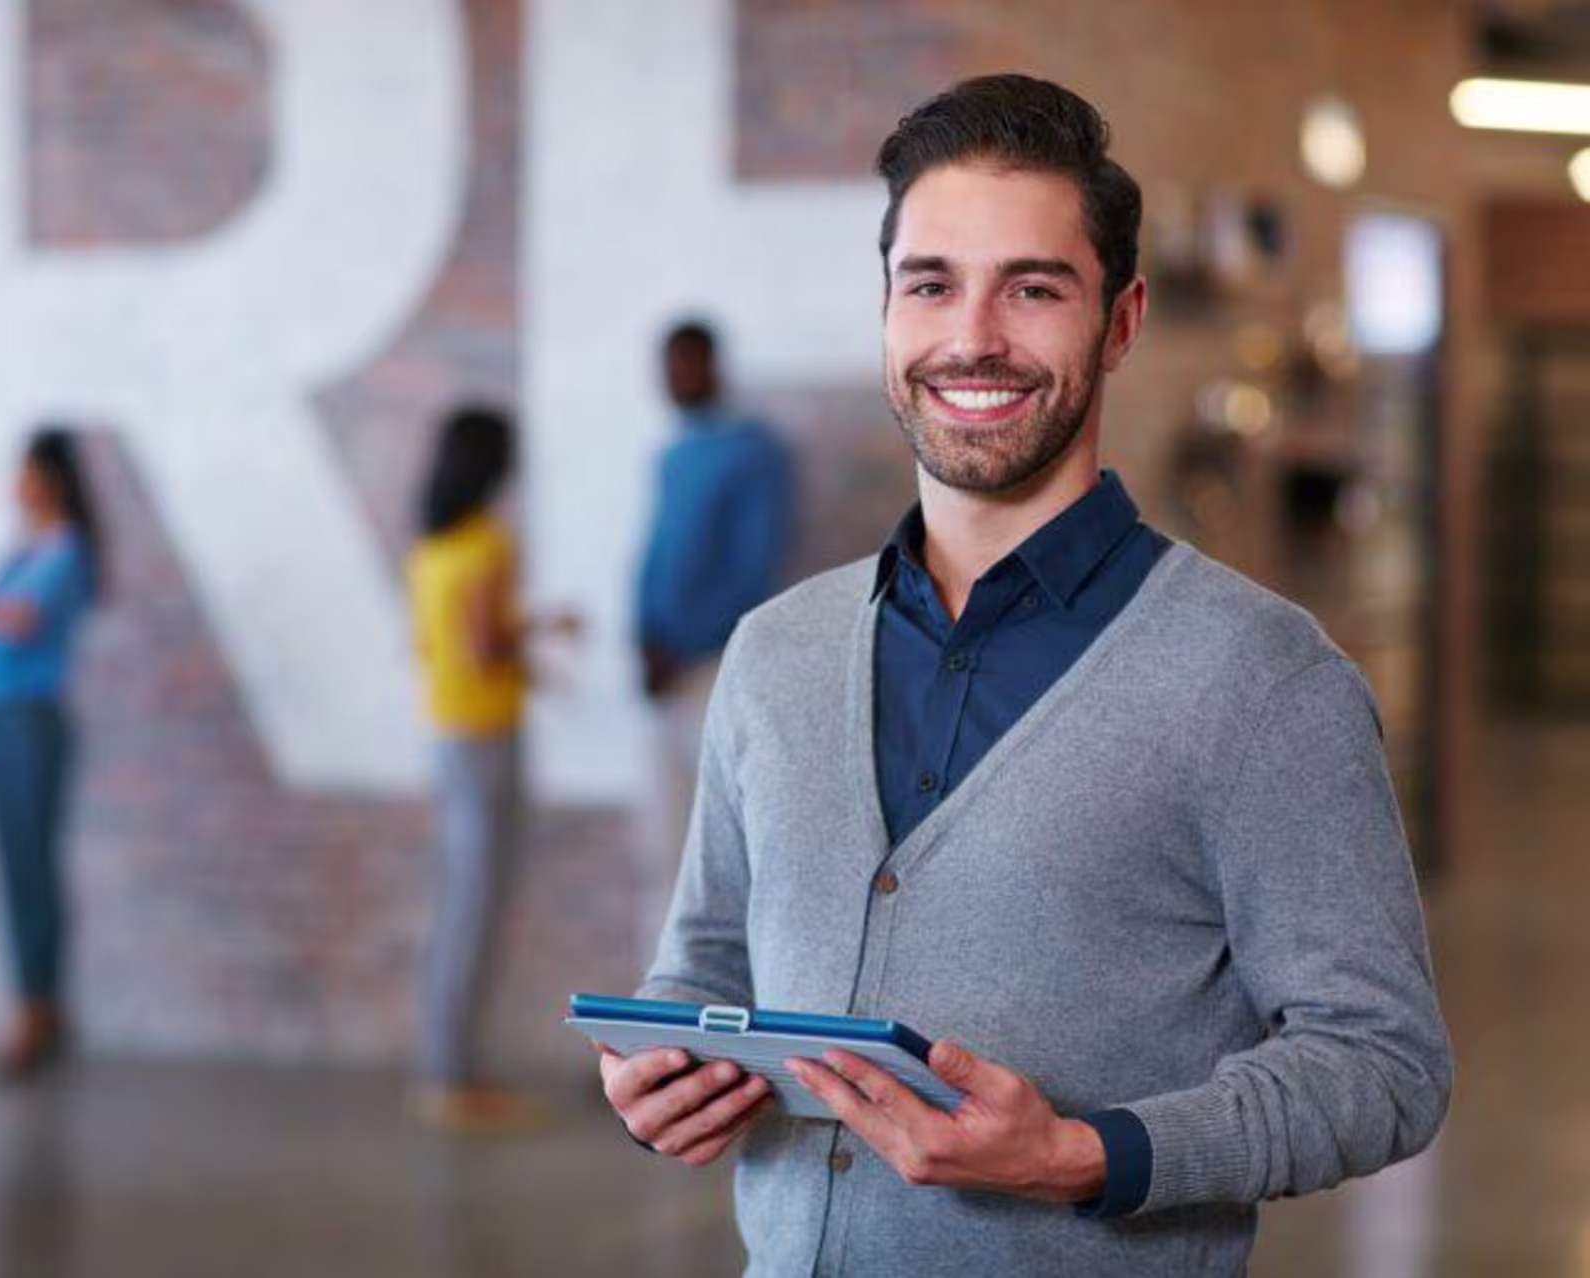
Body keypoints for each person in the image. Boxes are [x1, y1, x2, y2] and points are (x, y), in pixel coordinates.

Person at [597, 75, 1451, 1276]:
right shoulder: (773, 654)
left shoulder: (1262, 682)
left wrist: (1083, 1154)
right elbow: (705, 962)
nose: (972, 338)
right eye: (931, 283)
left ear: (1122, 320)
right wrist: (663, 1066)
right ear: (888, 310)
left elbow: (1383, 1063)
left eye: (1034, 288)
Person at [407, 405, 578, 1132]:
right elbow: (484, 646)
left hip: (446, 732)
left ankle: (449, 1067)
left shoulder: (430, 547)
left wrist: (527, 666)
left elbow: (430, 647)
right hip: (485, 737)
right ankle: (452, 1079)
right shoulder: (486, 543)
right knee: (475, 908)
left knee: (458, 906)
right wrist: (545, 627)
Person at [633, 321, 793, 950]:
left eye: (684, 363)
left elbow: (753, 570)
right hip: (659, 677)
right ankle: (659, 1025)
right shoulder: (672, 454)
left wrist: (686, 646)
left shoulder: (755, 453)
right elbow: (652, 562)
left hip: (712, 672)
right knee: (659, 848)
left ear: (712, 366)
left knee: (718, 861)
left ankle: (719, 1030)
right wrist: (641, 643)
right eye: (665, 365)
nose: (673, 378)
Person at [0, 427, 102, 1083]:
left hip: (31, 718)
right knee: (19, 864)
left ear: (46, 478)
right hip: (0, 713)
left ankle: (35, 1005)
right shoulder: (23, 551)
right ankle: (40, 999)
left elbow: (11, 618)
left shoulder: (64, 550)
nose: (12, 486)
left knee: (31, 865)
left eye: (21, 473)